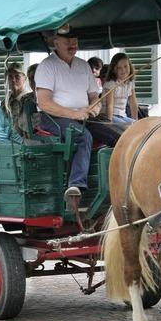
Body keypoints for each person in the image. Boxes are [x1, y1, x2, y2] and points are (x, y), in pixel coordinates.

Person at [35, 25, 98, 198]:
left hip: (83, 115)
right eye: (68, 41)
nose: (73, 44)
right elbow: (44, 103)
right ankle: (75, 186)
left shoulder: (83, 66)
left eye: (75, 41)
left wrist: (95, 106)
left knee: (118, 135)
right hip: (53, 117)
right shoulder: (47, 66)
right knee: (84, 136)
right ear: (56, 43)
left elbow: (94, 95)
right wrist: (75, 114)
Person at [3, 62, 41, 139]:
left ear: (24, 78)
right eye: (10, 77)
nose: (13, 80)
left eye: (17, 76)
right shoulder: (5, 102)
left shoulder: (29, 100)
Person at [103, 52, 138, 124]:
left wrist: (136, 120)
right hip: (110, 115)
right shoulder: (111, 83)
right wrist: (109, 122)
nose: (123, 70)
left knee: (138, 127)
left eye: (125, 66)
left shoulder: (130, 83)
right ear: (114, 70)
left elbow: (133, 103)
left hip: (122, 115)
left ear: (130, 66)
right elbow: (109, 105)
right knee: (127, 128)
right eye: (119, 68)